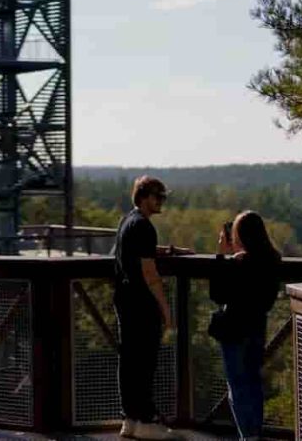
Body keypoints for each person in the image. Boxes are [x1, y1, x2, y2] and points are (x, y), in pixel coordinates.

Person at [113, 176, 192, 440]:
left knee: (129, 362)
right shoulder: (144, 226)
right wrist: (166, 311)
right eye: (158, 196)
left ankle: (130, 420)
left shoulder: (127, 221)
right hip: (141, 303)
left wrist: (170, 251)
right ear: (144, 196)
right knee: (145, 363)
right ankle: (146, 421)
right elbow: (149, 273)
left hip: (124, 300)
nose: (161, 202)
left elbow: (138, 253)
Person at [209, 211, 282, 441]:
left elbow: (218, 294)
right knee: (252, 383)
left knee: (237, 387)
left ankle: (248, 436)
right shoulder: (273, 260)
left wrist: (221, 257)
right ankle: (254, 434)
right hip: (257, 327)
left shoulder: (241, 263)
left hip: (234, 330)